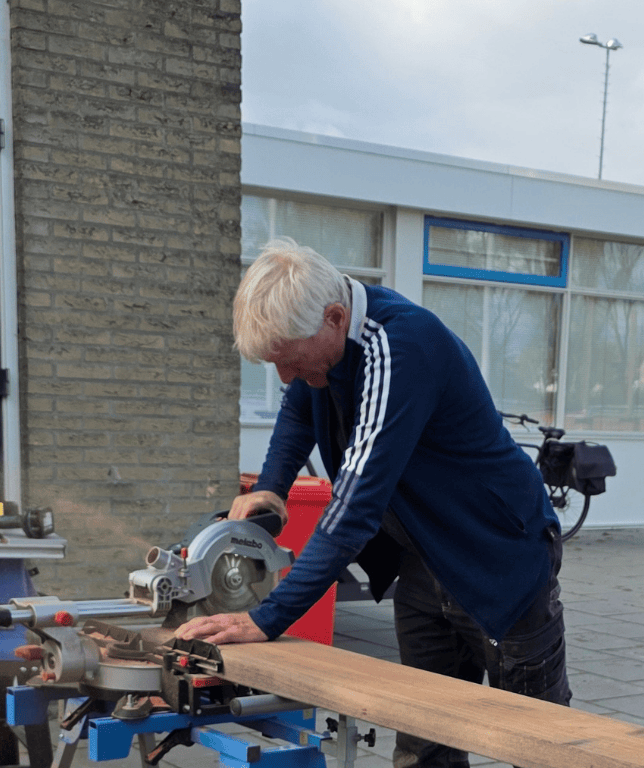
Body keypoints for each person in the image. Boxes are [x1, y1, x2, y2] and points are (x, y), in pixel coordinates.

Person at [175, 237, 570, 768]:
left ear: (335, 317)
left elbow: (355, 507)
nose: (287, 376)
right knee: (425, 742)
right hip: (425, 561)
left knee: (542, 743)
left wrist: (269, 618)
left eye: (291, 360)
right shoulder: (325, 340)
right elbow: (299, 408)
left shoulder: (402, 347)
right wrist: (271, 486)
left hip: (498, 563)